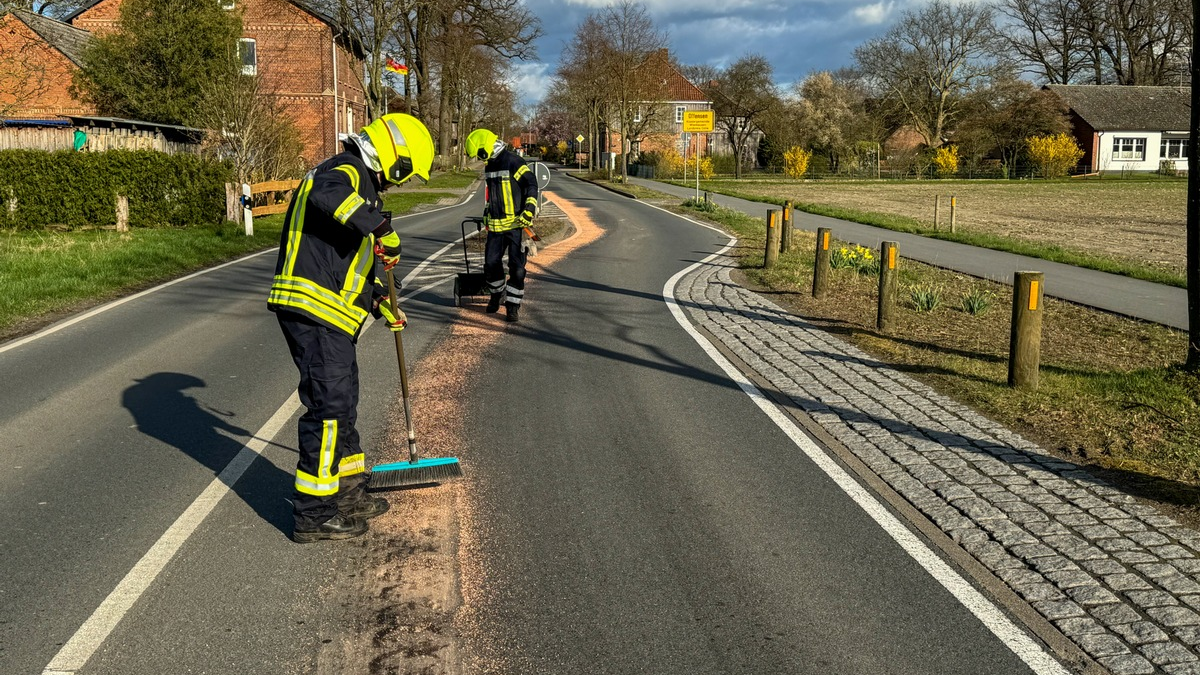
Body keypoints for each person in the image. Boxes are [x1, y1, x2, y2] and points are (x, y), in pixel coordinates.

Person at [268, 113, 435, 543]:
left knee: (342, 404)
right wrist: (380, 227)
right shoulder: (345, 170)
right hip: (314, 309)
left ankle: (347, 493)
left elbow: (346, 262)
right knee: (328, 409)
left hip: (331, 313)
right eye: (404, 174)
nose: (398, 184)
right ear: (395, 158)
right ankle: (314, 513)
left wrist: (379, 299)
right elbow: (327, 194)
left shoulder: (359, 184)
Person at [465, 128, 539, 322]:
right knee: (491, 264)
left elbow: (531, 184)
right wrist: (487, 212)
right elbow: (492, 194)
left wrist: (529, 209)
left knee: (517, 269)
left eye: (480, 154)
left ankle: (512, 306)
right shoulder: (490, 166)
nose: (480, 159)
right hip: (496, 228)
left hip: (516, 226)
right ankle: (496, 294)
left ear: (486, 147)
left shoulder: (514, 161)